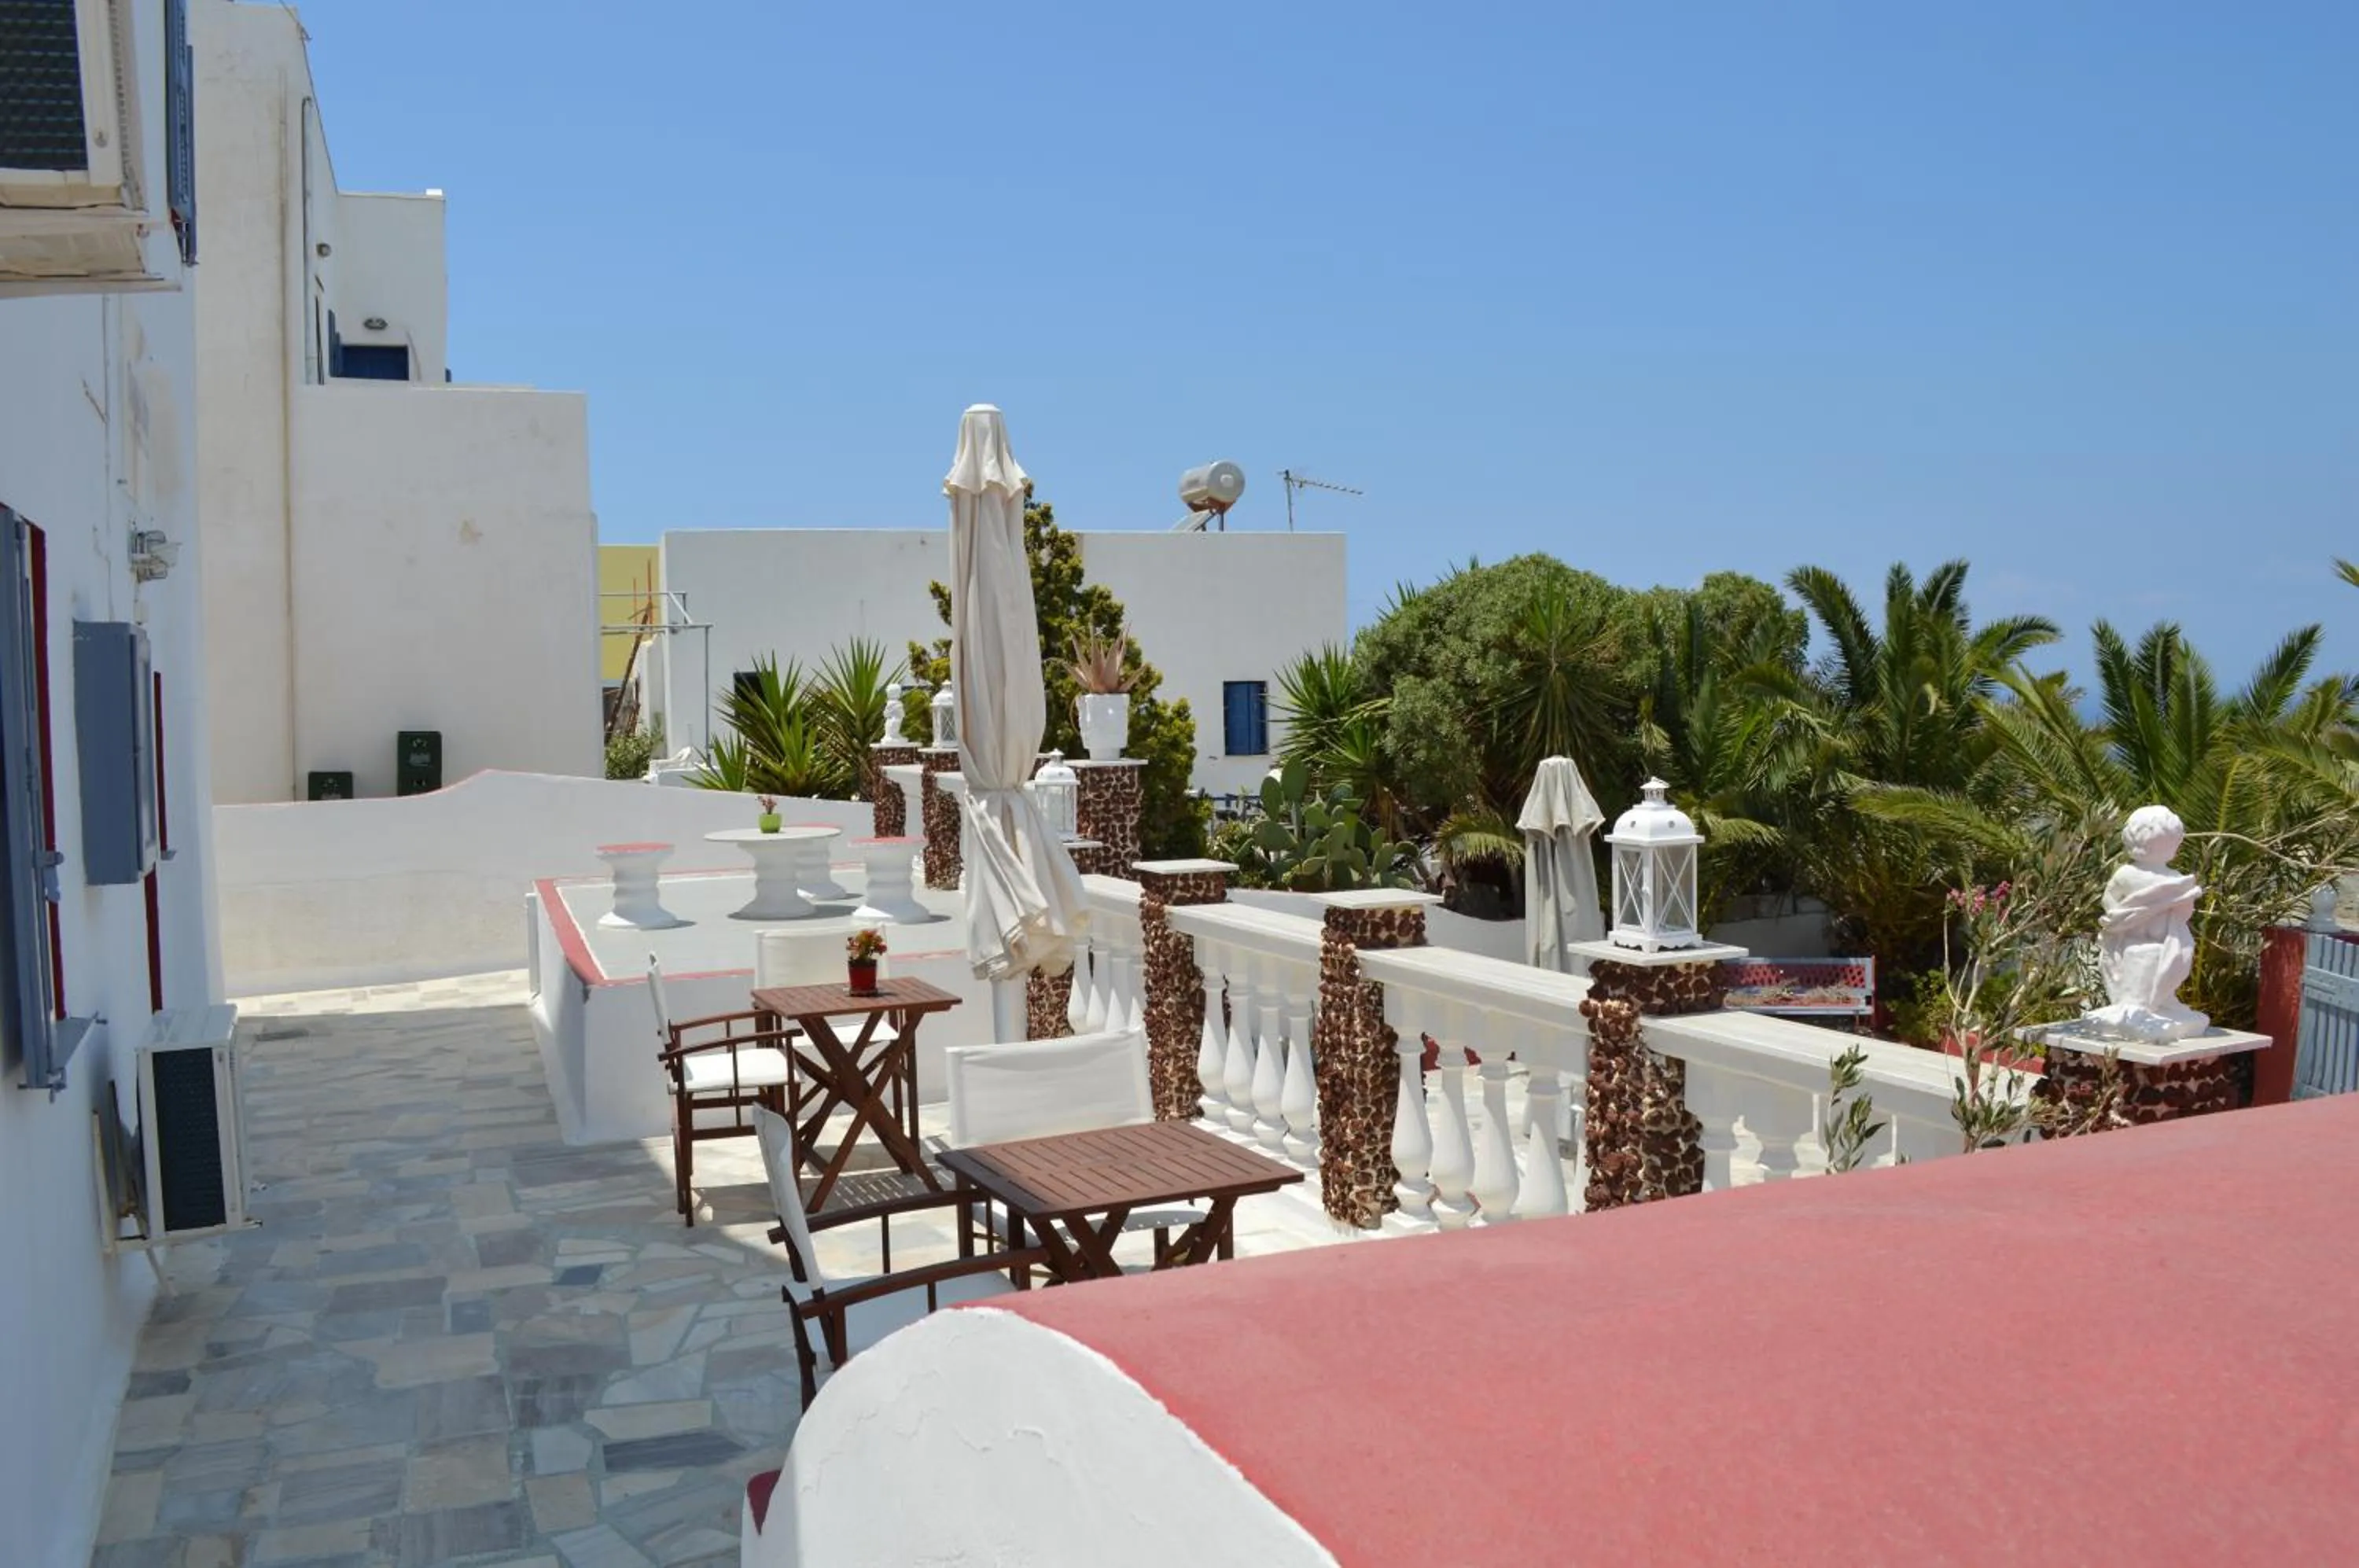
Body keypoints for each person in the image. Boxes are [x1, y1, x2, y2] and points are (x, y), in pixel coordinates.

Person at [2086, 805, 2209, 1041]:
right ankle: (2135, 1007)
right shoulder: (2128, 874)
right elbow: (2110, 899)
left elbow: (2184, 912)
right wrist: (2121, 917)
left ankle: (2161, 1001)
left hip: (2165, 942)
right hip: (2134, 941)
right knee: (2142, 963)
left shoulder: (2174, 879)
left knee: (2170, 962)